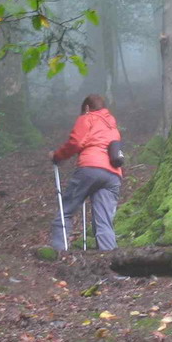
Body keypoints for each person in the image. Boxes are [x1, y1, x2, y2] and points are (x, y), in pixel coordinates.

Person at [49, 94, 123, 251]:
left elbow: (75, 142)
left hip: (91, 168)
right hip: (113, 174)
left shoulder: (87, 117)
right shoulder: (112, 125)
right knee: (104, 220)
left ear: (87, 108)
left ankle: (58, 251)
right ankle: (109, 259)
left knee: (66, 210)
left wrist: (58, 156)